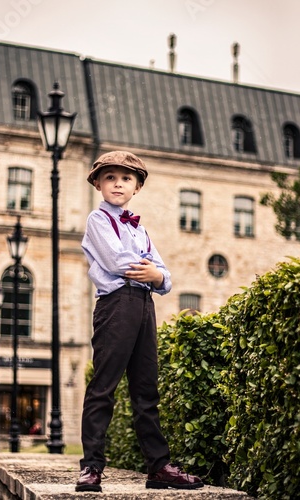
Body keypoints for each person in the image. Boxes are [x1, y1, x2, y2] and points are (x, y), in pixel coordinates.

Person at [76, 151, 204, 492]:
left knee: (146, 389)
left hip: (143, 306)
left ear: (137, 187)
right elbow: (119, 262)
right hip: (116, 305)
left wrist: (156, 275)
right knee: (104, 386)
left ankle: (158, 466)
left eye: (126, 178)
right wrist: (152, 272)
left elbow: (167, 279)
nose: (118, 183)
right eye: (110, 178)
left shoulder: (139, 228)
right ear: (99, 184)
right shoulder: (97, 220)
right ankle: (91, 466)